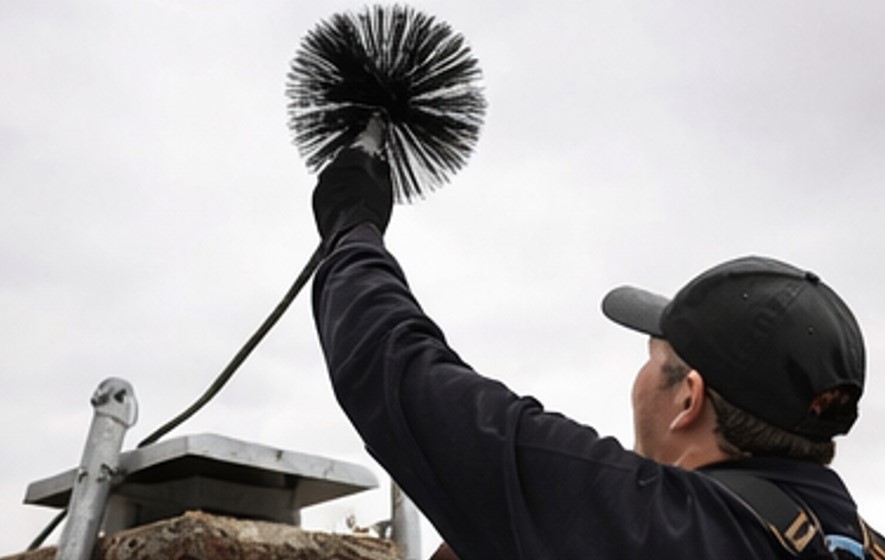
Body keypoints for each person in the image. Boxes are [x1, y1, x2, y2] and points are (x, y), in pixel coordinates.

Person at [309, 121, 884, 559]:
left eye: (652, 357)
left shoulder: (653, 526)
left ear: (689, 397)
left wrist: (352, 226)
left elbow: (401, 376)